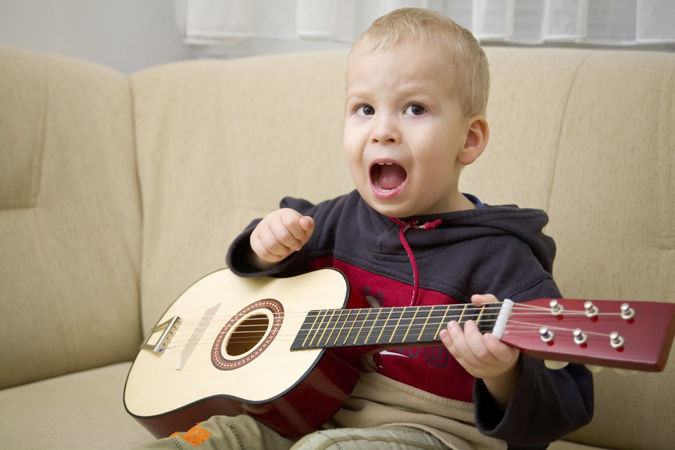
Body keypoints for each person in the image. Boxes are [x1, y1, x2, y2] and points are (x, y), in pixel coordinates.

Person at [135, 7, 593, 450]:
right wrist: (264, 244)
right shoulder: (337, 219)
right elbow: (260, 278)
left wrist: (503, 373)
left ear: (468, 140)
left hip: (436, 432)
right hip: (309, 412)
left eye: (414, 108)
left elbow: (563, 403)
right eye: (364, 109)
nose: (383, 131)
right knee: (212, 439)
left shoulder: (501, 256)